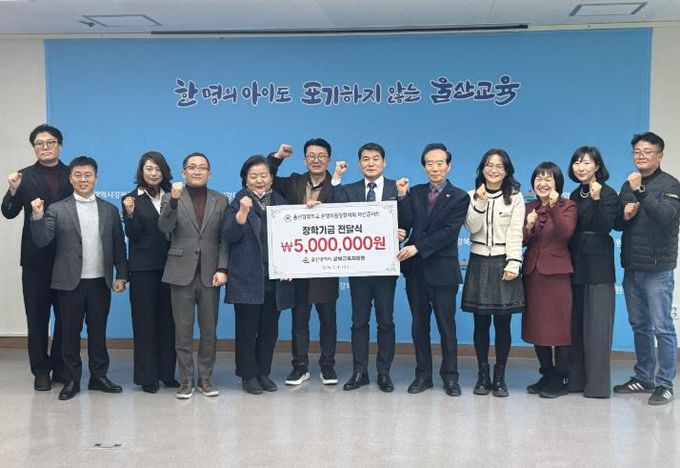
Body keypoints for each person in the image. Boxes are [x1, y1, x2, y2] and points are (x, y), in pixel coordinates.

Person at [30, 156, 128, 401]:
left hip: (100, 282)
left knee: (98, 333)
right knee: (70, 335)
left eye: (88, 175)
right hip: (68, 283)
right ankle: (72, 379)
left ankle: (99, 377)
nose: (83, 179)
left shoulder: (110, 210)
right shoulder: (56, 209)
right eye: (78, 175)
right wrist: (38, 217)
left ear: (96, 178)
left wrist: (121, 275)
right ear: (70, 178)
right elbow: (42, 240)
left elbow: (118, 246)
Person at [2, 124, 72, 391]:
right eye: (39, 143)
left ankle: (62, 367)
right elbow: (8, 212)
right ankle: (41, 370)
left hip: (66, 257)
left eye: (50, 142)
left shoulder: (72, 174)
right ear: (34, 148)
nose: (45, 147)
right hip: (35, 260)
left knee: (67, 316)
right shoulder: (24, 176)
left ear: (59, 145)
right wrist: (12, 190)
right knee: (37, 316)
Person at [329, 143, 402, 392]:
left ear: (384, 162)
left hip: (385, 268)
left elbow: (409, 218)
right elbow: (334, 209)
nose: (371, 163)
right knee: (359, 322)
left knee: (385, 322)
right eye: (366, 159)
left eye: (376, 159)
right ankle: (359, 372)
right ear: (359, 163)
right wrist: (336, 177)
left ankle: (384, 373)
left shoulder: (396, 188)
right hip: (359, 267)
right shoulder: (349, 189)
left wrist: (403, 230)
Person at [397, 143, 469, 396]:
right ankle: (423, 375)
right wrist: (402, 197)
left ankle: (450, 377)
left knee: (446, 326)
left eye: (440, 163)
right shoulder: (415, 192)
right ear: (424, 166)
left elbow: (449, 232)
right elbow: (406, 223)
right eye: (430, 163)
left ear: (449, 166)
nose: (435, 168)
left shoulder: (459, 196)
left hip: (443, 271)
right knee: (419, 326)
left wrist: (417, 247)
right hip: (416, 271)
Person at [614, 132, 680, 406]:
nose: (640, 156)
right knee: (640, 325)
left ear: (660, 155)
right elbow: (617, 224)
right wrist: (624, 215)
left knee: (662, 327)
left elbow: (666, 217)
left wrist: (640, 191)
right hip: (632, 266)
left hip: (657, 269)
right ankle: (644, 377)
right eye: (637, 152)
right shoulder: (627, 184)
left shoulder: (671, 184)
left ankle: (665, 383)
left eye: (647, 152)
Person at [267, 139, 339, 386]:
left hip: (327, 264)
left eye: (321, 155)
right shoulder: (293, 182)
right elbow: (265, 176)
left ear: (329, 159)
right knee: (299, 320)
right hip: (297, 264)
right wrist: (277, 156)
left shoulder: (338, 185)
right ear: (305, 159)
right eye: (311, 155)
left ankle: (328, 366)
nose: (316, 160)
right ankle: (299, 367)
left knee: (328, 320)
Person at [158, 152, 229, 400]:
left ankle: (206, 377)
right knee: (183, 331)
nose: (197, 171)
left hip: (210, 274)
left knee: (209, 331)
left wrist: (223, 268)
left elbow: (224, 239)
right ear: (183, 172)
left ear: (209, 173)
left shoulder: (221, 200)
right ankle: (186, 378)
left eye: (202, 167)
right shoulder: (170, 197)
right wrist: (174, 201)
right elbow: (164, 228)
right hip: (180, 273)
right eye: (191, 167)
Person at [222, 155, 294, 395]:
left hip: (274, 278)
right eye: (253, 176)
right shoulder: (237, 202)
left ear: (272, 178)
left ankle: (264, 372)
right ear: (246, 179)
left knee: (269, 329)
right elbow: (229, 235)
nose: (259, 180)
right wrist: (242, 214)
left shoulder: (281, 202)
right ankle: (248, 375)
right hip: (246, 277)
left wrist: (289, 266)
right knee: (246, 329)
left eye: (264, 175)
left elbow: (293, 239)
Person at [462, 149, 525, 397]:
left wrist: (514, 262)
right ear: (482, 168)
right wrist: (479, 202)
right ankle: (483, 374)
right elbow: (472, 227)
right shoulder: (471, 195)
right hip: (478, 260)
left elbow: (515, 232)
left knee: (502, 323)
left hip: (503, 261)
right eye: (489, 165)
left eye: (499, 166)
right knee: (480, 322)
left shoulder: (515, 197)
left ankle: (500, 376)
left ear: (506, 170)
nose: (494, 170)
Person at [122, 151, 178, 393]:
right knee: (144, 323)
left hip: (173, 267)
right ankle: (148, 377)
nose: (154, 173)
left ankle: (167, 374)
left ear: (164, 171)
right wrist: (129, 214)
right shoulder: (130, 199)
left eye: (158, 169)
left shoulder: (175, 195)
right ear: (141, 172)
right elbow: (132, 235)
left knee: (169, 322)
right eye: (149, 169)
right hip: (143, 270)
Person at [567, 147, 619, 398]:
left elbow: (606, 225)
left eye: (586, 162)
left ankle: (597, 386)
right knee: (575, 324)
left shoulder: (608, 193)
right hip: (575, 262)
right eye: (577, 162)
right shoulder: (574, 194)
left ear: (597, 166)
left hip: (598, 265)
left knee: (597, 326)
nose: (581, 167)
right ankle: (575, 381)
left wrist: (598, 199)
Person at [522, 162, 576, 399]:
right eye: (538, 179)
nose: (542, 183)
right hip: (532, 274)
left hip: (557, 275)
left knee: (560, 327)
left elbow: (565, 232)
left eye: (548, 179)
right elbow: (522, 240)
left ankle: (562, 377)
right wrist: (528, 225)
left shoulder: (568, 205)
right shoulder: (529, 207)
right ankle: (547, 373)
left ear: (557, 183)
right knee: (537, 326)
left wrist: (553, 206)